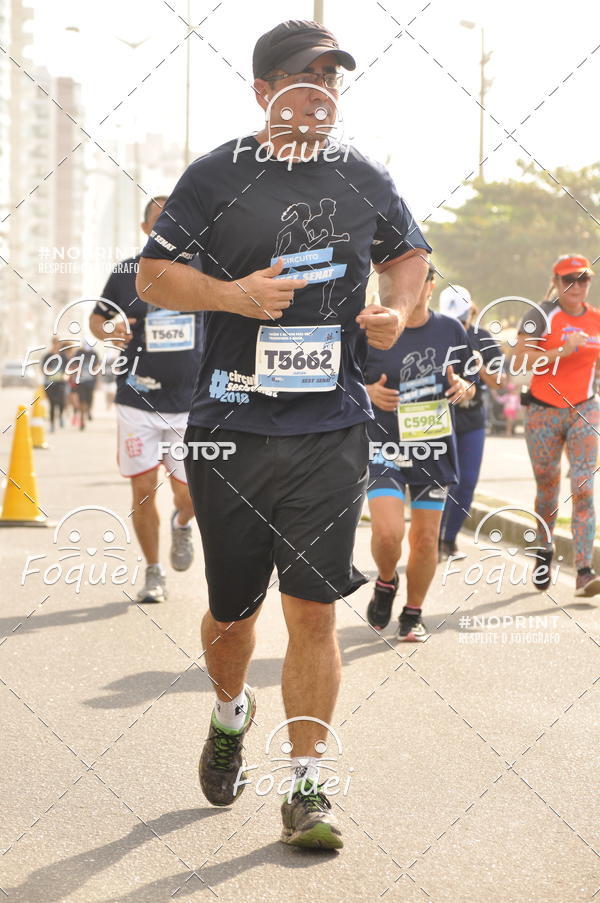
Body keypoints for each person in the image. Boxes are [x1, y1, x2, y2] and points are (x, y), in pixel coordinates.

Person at [136, 19, 431, 850]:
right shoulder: (216, 175)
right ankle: (231, 712)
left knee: (312, 613)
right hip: (230, 423)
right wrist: (234, 296)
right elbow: (155, 275)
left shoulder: (362, 173)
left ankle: (306, 786)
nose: (321, 93)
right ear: (265, 91)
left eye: (332, 80)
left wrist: (394, 314)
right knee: (233, 617)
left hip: (330, 426)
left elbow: (408, 260)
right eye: (305, 77)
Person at [89, 197, 205, 603]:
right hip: (137, 399)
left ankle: (181, 523)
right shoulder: (126, 272)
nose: (169, 226)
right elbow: (97, 319)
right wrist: (111, 331)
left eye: (176, 219)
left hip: (191, 404)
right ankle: (154, 572)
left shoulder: (205, 267)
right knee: (142, 489)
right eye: (160, 222)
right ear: (145, 229)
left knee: (190, 496)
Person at [364, 264, 476, 640]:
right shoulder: (370, 330)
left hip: (433, 448)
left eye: (414, 282)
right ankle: (385, 580)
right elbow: (341, 382)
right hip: (385, 445)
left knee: (427, 539)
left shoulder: (450, 330)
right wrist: (367, 393)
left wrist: (463, 387)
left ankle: (413, 614)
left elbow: (469, 384)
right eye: (392, 284)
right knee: (387, 534)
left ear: (429, 286)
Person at [513, 254, 600, 596]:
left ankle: (584, 570)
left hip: (584, 409)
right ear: (557, 282)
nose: (576, 286)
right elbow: (519, 356)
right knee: (547, 488)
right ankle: (544, 550)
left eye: (583, 279)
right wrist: (561, 352)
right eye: (569, 280)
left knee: (583, 485)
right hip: (542, 411)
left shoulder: (596, 318)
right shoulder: (540, 314)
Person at [437, 290, 506, 560]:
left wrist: (481, 367)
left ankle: (449, 539)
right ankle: (430, 538)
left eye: (462, 319)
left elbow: (500, 382)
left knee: (466, 483)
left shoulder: (483, 337)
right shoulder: (436, 331)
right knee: (440, 481)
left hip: (472, 418)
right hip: (439, 417)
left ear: (469, 313)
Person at [42, 338, 68, 431]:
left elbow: (67, 369)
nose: (57, 345)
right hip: (49, 383)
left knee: (61, 402)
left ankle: (61, 416)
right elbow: (43, 369)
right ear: (52, 344)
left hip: (61, 383)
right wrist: (49, 372)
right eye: (55, 344)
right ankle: (52, 424)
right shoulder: (47, 356)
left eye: (58, 344)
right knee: (52, 404)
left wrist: (65, 375)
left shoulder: (63, 356)